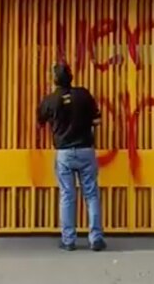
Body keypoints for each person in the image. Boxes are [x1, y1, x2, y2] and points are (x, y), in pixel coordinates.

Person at [37, 62, 106, 252]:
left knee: (67, 195)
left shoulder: (50, 100)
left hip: (64, 153)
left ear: (55, 79)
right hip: (85, 150)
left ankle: (68, 240)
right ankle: (96, 239)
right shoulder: (83, 95)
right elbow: (98, 120)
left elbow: (40, 121)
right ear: (71, 76)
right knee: (91, 194)